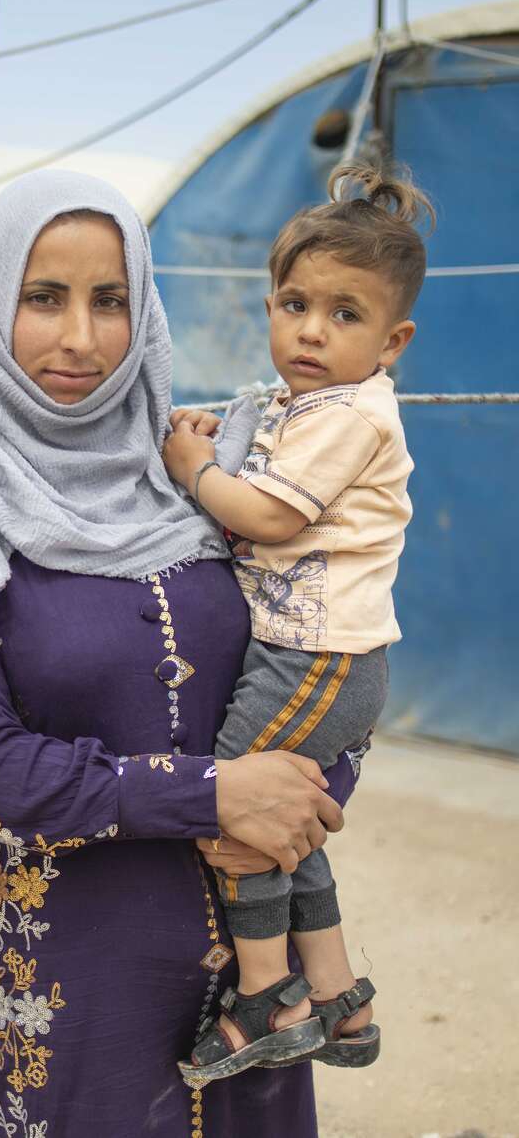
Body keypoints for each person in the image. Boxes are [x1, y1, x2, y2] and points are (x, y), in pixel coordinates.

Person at [0, 169, 357, 1138]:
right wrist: (217, 793)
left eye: (110, 300)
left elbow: (326, 651)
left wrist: (303, 793)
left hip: (254, 977)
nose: (80, 339)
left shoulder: (206, 480)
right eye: (43, 298)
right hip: (71, 980)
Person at [162, 163, 434, 1085]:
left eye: (346, 314)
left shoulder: (355, 413)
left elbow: (269, 516)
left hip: (317, 656)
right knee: (289, 827)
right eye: (294, 303)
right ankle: (338, 992)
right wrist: (215, 437)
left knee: (232, 812)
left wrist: (190, 467)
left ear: (392, 340)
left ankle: (267, 998)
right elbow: (255, 462)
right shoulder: (299, 403)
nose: (312, 330)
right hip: (313, 656)